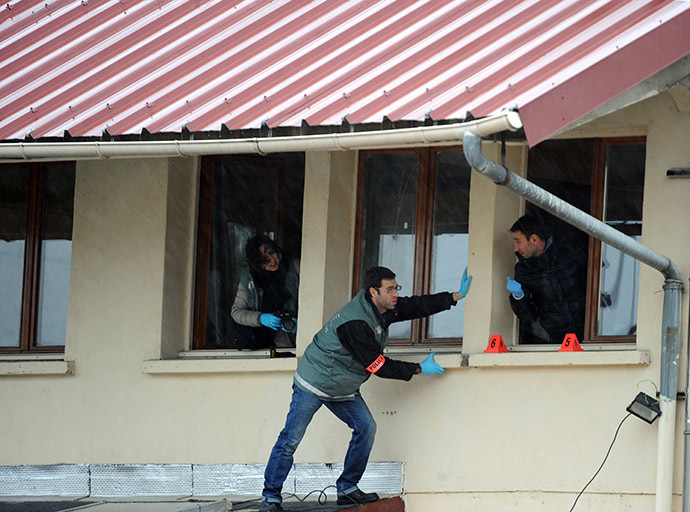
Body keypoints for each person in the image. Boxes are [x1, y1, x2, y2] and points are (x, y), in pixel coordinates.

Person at [259, 265, 473, 511]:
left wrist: (454, 297)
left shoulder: (383, 308)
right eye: (390, 289)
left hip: (343, 384)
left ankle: (347, 488)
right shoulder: (356, 323)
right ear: (374, 291)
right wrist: (418, 368)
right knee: (290, 439)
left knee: (366, 427)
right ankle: (270, 498)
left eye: (396, 288)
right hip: (315, 380)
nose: (396, 294)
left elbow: (415, 305)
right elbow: (378, 366)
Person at [506, 214, 586, 344]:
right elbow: (528, 316)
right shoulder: (522, 270)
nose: (515, 248)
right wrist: (518, 297)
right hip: (549, 343)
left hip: (586, 337)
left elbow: (593, 283)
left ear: (534, 240)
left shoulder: (570, 252)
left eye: (518, 241)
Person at [230, 235, 299, 350]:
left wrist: (302, 323)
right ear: (257, 264)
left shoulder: (295, 267)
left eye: (272, 253)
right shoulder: (248, 278)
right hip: (262, 342)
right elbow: (236, 312)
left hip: (293, 339)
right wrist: (260, 318)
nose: (272, 261)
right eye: (265, 260)